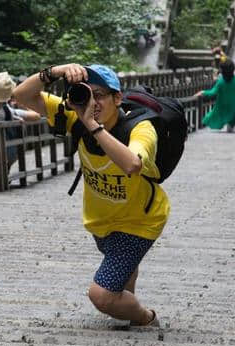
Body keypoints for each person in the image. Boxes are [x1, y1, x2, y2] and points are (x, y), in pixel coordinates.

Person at [13, 63, 168, 327]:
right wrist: (55, 72)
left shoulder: (140, 128)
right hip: (101, 221)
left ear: (117, 98)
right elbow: (22, 96)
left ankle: (145, 317)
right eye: (87, 93)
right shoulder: (75, 115)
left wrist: (93, 126)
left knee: (103, 296)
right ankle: (127, 304)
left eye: (100, 95)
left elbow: (132, 164)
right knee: (121, 274)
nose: (93, 102)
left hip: (140, 222)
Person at [194, 58, 235, 133]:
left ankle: (200, 125)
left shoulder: (221, 81)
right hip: (234, 105)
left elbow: (212, 92)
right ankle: (231, 126)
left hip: (221, 106)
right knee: (232, 118)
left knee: (210, 116)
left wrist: (203, 92)